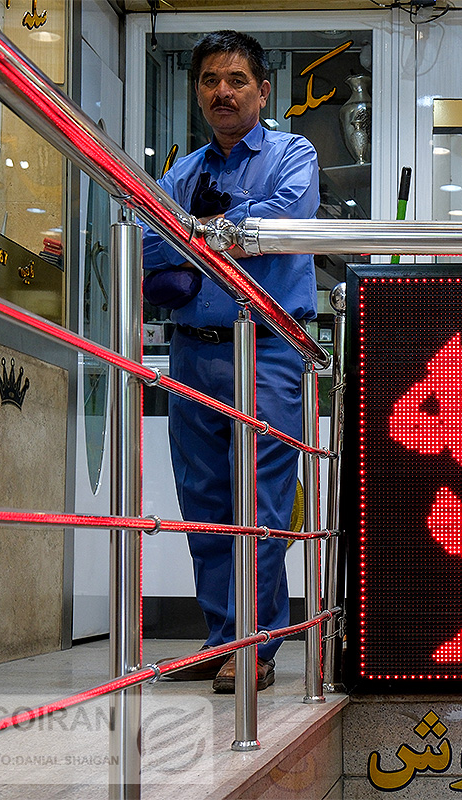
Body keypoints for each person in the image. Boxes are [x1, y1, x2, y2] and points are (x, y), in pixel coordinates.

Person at [143, 30, 320, 693]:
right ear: (197, 92)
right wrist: (219, 232)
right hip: (192, 352)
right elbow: (147, 246)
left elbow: (282, 220)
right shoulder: (182, 173)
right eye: (211, 80)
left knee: (263, 503)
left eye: (237, 80)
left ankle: (257, 644)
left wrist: (196, 228)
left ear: (262, 91)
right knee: (206, 502)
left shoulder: (292, 154)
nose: (223, 91)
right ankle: (223, 638)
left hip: (266, 349)